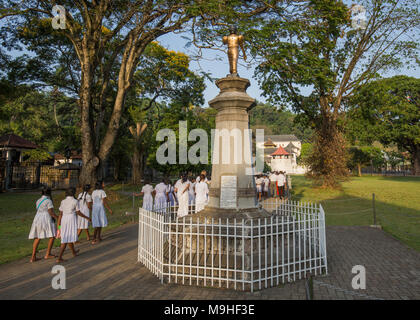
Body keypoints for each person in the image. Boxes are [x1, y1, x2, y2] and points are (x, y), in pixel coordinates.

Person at [56, 188, 91, 262]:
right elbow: (78, 213)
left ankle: (74, 252)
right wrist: (87, 217)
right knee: (66, 239)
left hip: (64, 220)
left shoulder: (63, 201)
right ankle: (59, 258)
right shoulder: (75, 201)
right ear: (73, 193)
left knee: (68, 237)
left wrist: (58, 225)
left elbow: (60, 214)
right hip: (71, 220)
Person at [28, 187, 59, 262]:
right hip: (46, 218)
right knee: (52, 236)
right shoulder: (48, 201)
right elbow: (50, 212)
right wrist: (57, 217)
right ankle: (48, 254)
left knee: (38, 237)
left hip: (38, 218)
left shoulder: (38, 200)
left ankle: (33, 257)